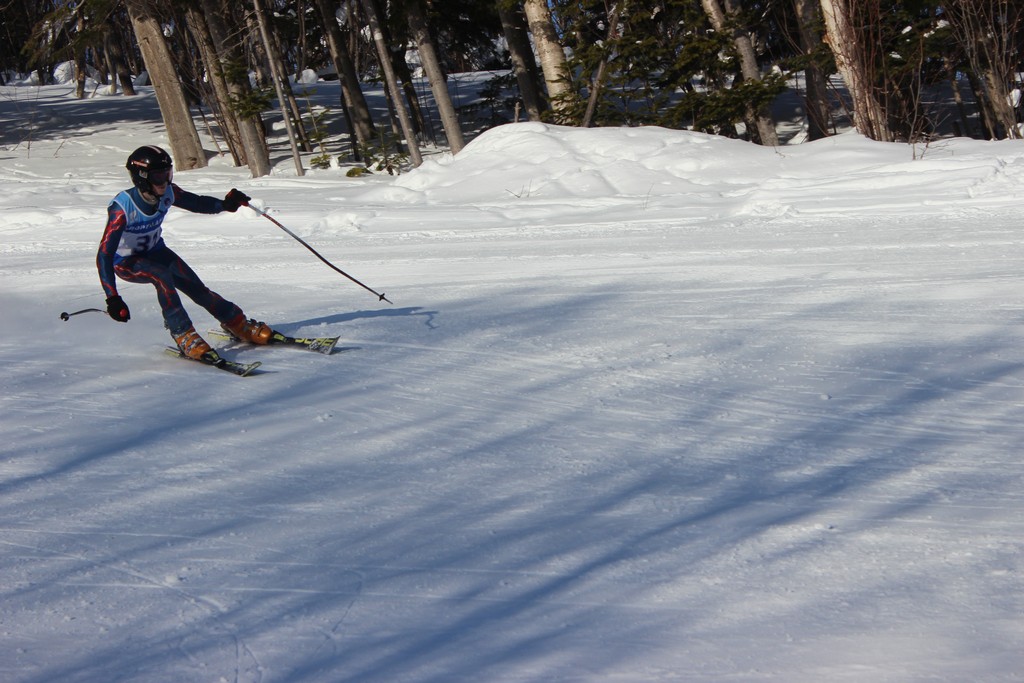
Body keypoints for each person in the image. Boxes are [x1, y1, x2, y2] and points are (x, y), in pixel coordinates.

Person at [97, 145, 274, 360]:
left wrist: (225, 204)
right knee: (160, 275)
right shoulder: (122, 208)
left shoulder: (168, 192)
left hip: (156, 251)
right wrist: (112, 298)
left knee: (197, 288)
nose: (165, 182)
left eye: (167, 174)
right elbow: (104, 255)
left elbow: (197, 202)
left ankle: (237, 322)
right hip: (126, 263)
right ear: (142, 177)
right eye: (158, 176)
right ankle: (183, 333)